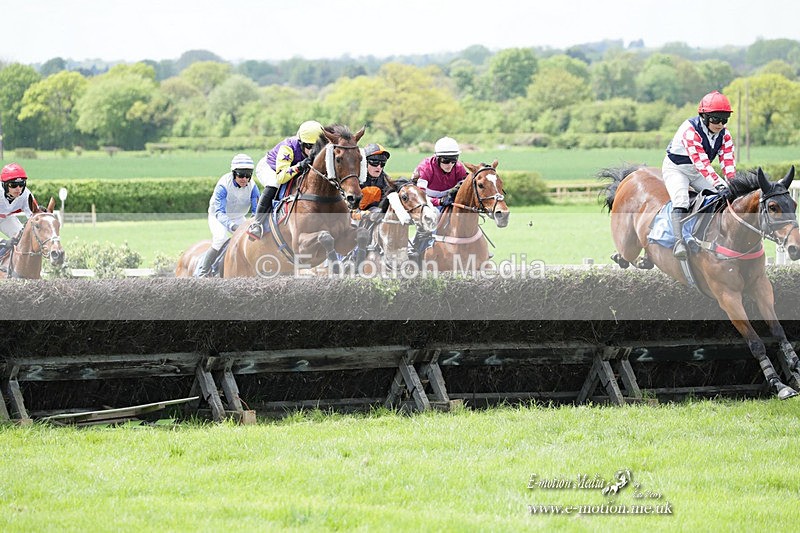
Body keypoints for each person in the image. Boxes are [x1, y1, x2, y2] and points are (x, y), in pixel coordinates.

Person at [663, 90, 735, 259]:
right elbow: (701, 162)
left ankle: (710, 236)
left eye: (724, 119)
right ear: (704, 116)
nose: (720, 124)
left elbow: (728, 163)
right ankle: (679, 242)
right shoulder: (690, 131)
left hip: (698, 171)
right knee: (681, 200)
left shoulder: (725, 135)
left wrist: (732, 185)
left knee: (722, 197)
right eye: (716, 118)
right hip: (677, 169)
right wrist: (718, 184)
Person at [248, 120, 324, 239]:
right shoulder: (288, 147)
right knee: (274, 183)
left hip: (290, 169)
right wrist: (299, 166)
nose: (314, 151)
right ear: (301, 143)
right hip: (271, 168)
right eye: (310, 146)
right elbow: (281, 177)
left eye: (318, 146)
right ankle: (257, 223)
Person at [196, 153, 260, 277]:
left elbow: (256, 210)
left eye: (248, 176)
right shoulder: (223, 186)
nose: (245, 179)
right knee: (220, 239)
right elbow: (220, 213)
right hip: (218, 217)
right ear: (234, 173)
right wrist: (233, 226)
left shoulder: (253, 187)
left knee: (253, 238)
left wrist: (253, 222)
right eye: (241, 175)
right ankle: (202, 273)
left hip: (238, 217)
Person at [408, 136, 468, 259]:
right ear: (437, 158)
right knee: (433, 214)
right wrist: (438, 201)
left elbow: (466, 187)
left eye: (453, 160)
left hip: (447, 199)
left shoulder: (459, 168)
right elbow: (421, 197)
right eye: (446, 161)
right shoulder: (425, 168)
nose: (450, 164)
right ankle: (417, 246)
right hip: (424, 200)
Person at [0, 163, 41, 259]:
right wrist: (3, 242)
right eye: (13, 185)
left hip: (6, 218)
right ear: (4, 185)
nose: (18, 189)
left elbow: (35, 217)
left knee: (23, 239)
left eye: (21, 184)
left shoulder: (26, 194)